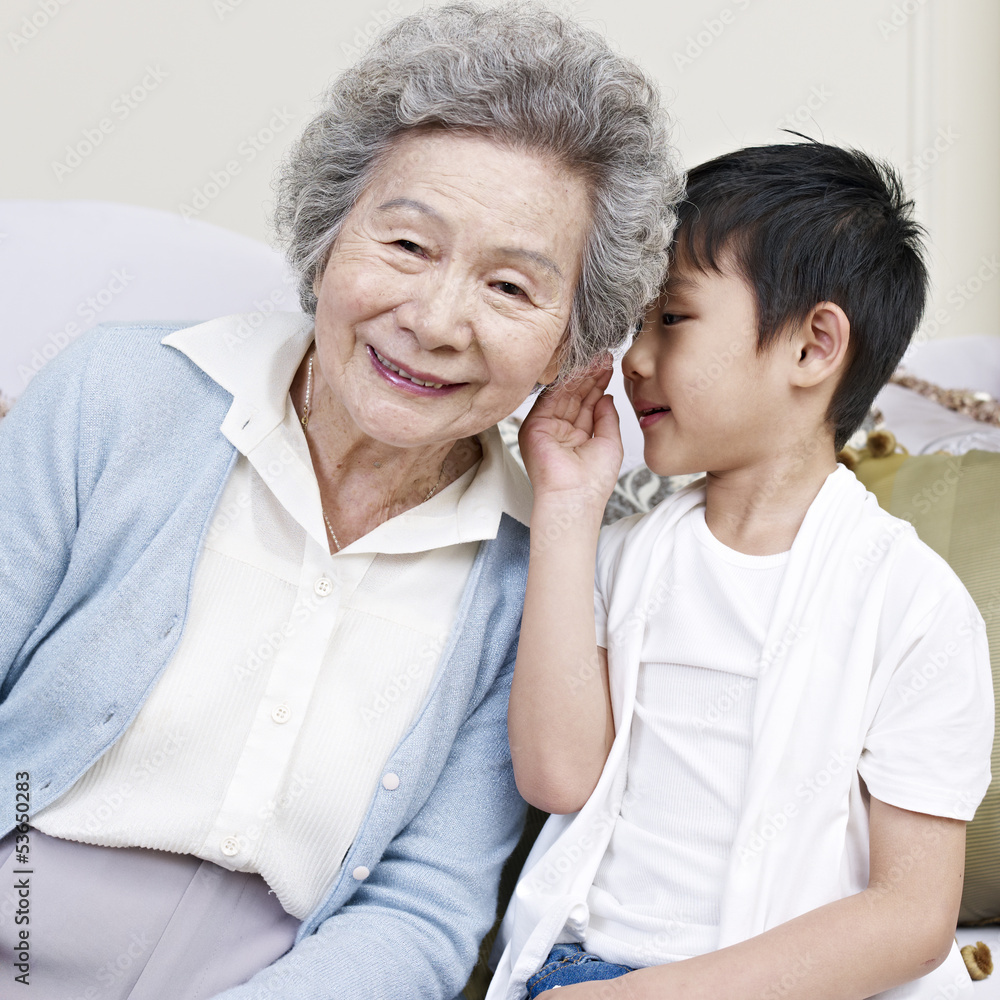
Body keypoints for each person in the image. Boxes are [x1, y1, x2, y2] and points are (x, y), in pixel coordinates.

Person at [0, 4, 681, 997]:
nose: (437, 320)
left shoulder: (531, 570)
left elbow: (423, 910)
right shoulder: (116, 397)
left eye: (508, 287)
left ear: (571, 346)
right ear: (327, 238)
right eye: (407, 245)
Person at [489, 142, 994, 1000]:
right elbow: (557, 776)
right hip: (580, 970)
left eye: (673, 319)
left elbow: (910, 918)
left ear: (813, 346)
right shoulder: (620, 553)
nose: (637, 359)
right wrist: (568, 516)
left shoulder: (913, 605)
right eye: (636, 324)